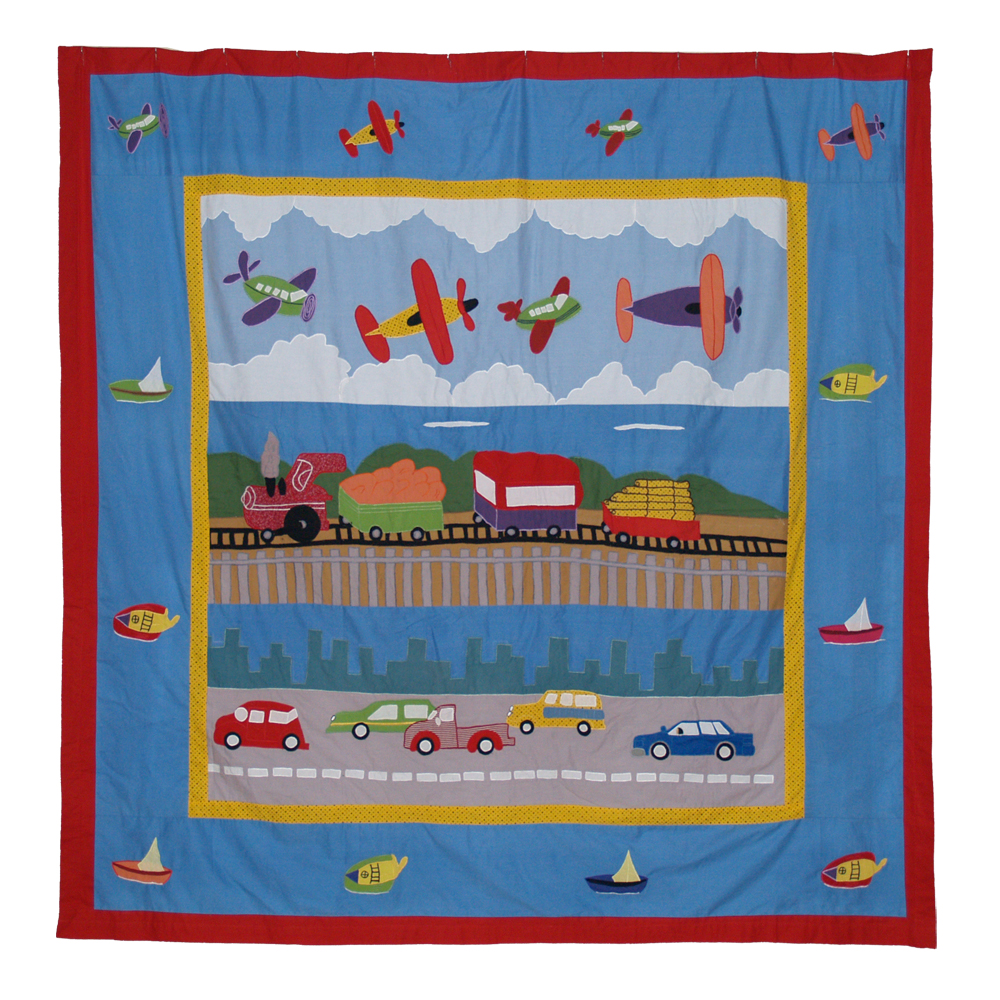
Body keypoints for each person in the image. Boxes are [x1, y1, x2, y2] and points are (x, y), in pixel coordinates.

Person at [261, 432, 285, 497]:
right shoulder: (266, 455)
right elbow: (264, 465)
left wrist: (275, 473)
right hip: (268, 474)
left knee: (272, 489)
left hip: (272, 475)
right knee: (270, 489)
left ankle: (273, 495)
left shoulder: (275, 455)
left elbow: (275, 464)